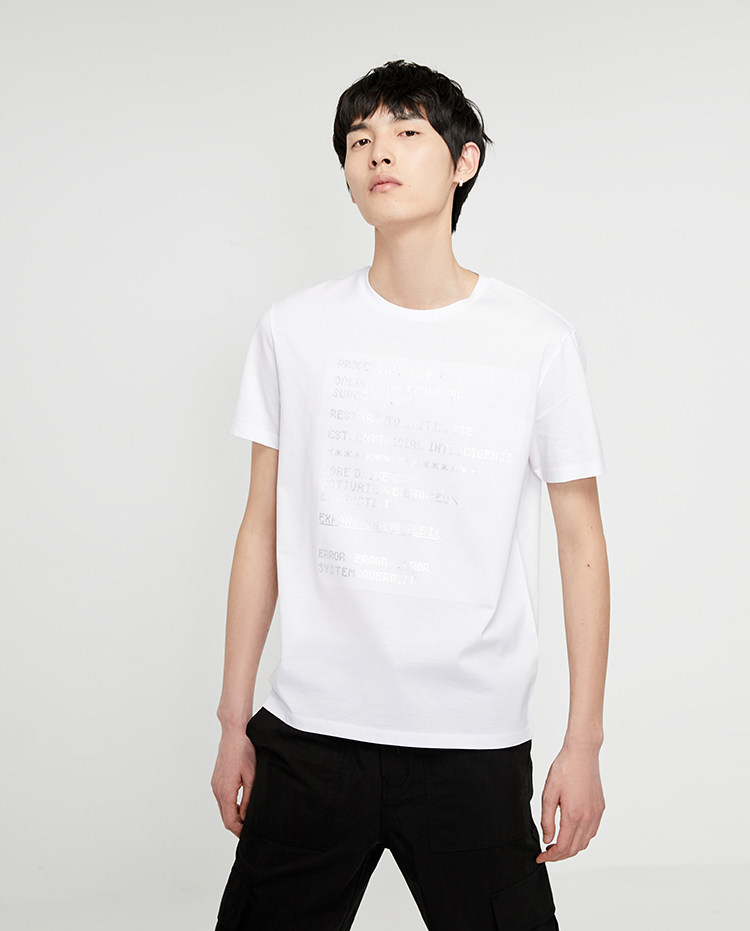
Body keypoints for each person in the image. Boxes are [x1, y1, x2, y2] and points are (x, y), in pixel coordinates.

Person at [210, 59, 609, 931]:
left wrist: (583, 740)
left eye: (406, 131)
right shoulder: (293, 330)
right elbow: (260, 527)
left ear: (465, 161)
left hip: (470, 737)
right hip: (312, 733)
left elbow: (582, 540)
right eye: (359, 140)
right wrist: (233, 718)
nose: (378, 152)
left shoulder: (536, 341)